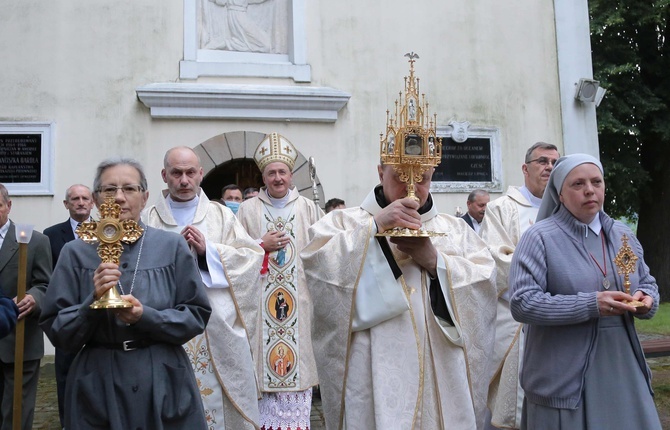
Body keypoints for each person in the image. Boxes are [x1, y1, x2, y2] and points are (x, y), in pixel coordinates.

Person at [301, 162, 497, 429]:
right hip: (370, 368)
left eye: (423, 179)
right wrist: (374, 227)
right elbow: (320, 267)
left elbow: (484, 282)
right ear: (381, 173)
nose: (412, 189)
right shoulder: (342, 223)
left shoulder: (457, 231)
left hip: (440, 366)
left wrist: (435, 262)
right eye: (401, 177)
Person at [40, 158, 212, 430]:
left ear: (144, 198)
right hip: (97, 383)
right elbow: (57, 330)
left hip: (163, 379)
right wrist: (90, 304)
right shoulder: (75, 252)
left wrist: (146, 317)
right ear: (96, 199)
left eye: (129, 189)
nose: (119, 197)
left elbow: (196, 315)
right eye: (109, 190)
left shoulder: (171, 246)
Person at [509, 153, 661, 429]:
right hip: (562, 369)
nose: (590, 190)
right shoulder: (539, 237)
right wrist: (591, 304)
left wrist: (647, 300)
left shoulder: (623, 234)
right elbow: (522, 303)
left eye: (596, 182)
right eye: (578, 184)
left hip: (621, 363)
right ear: (560, 195)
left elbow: (647, 281)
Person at [144, 146, 264, 430]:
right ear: (164, 175)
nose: (184, 180)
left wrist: (208, 252)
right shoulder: (148, 219)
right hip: (164, 323)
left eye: (189, 173)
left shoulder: (221, 216)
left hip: (216, 325)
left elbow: (250, 258)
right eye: (176, 173)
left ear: (200, 174)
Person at [237, 132, 323, 430]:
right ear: (264, 176)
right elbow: (235, 255)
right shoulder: (248, 210)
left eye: (282, 172)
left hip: (300, 307)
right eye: (271, 172)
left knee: (297, 377)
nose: (277, 178)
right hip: (262, 309)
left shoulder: (308, 209)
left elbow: (321, 253)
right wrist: (260, 246)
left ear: (290, 174)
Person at [479, 141, 559, 429]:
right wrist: (554, 276)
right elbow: (495, 257)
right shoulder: (502, 208)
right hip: (517, 319)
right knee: (511, 406)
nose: (549, 167)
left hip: (561, 318)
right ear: (525, 169)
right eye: (543, 161)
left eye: (554, 162)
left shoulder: (566, 206)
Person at [0, 184, 52, 430]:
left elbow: (46, 285)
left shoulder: (35, 240)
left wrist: (33, 297)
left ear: (8, 206)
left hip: (19, 339)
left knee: (16, 414)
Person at [43, 183, 95, 428]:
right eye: (75, 199)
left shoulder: (107, 231)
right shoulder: (51, 235)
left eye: (85, 198)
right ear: (66, 204)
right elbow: (49, 277)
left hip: (98, 315)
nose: (81, 202)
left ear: (93, 202)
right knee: (65, 375)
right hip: (67, 316)